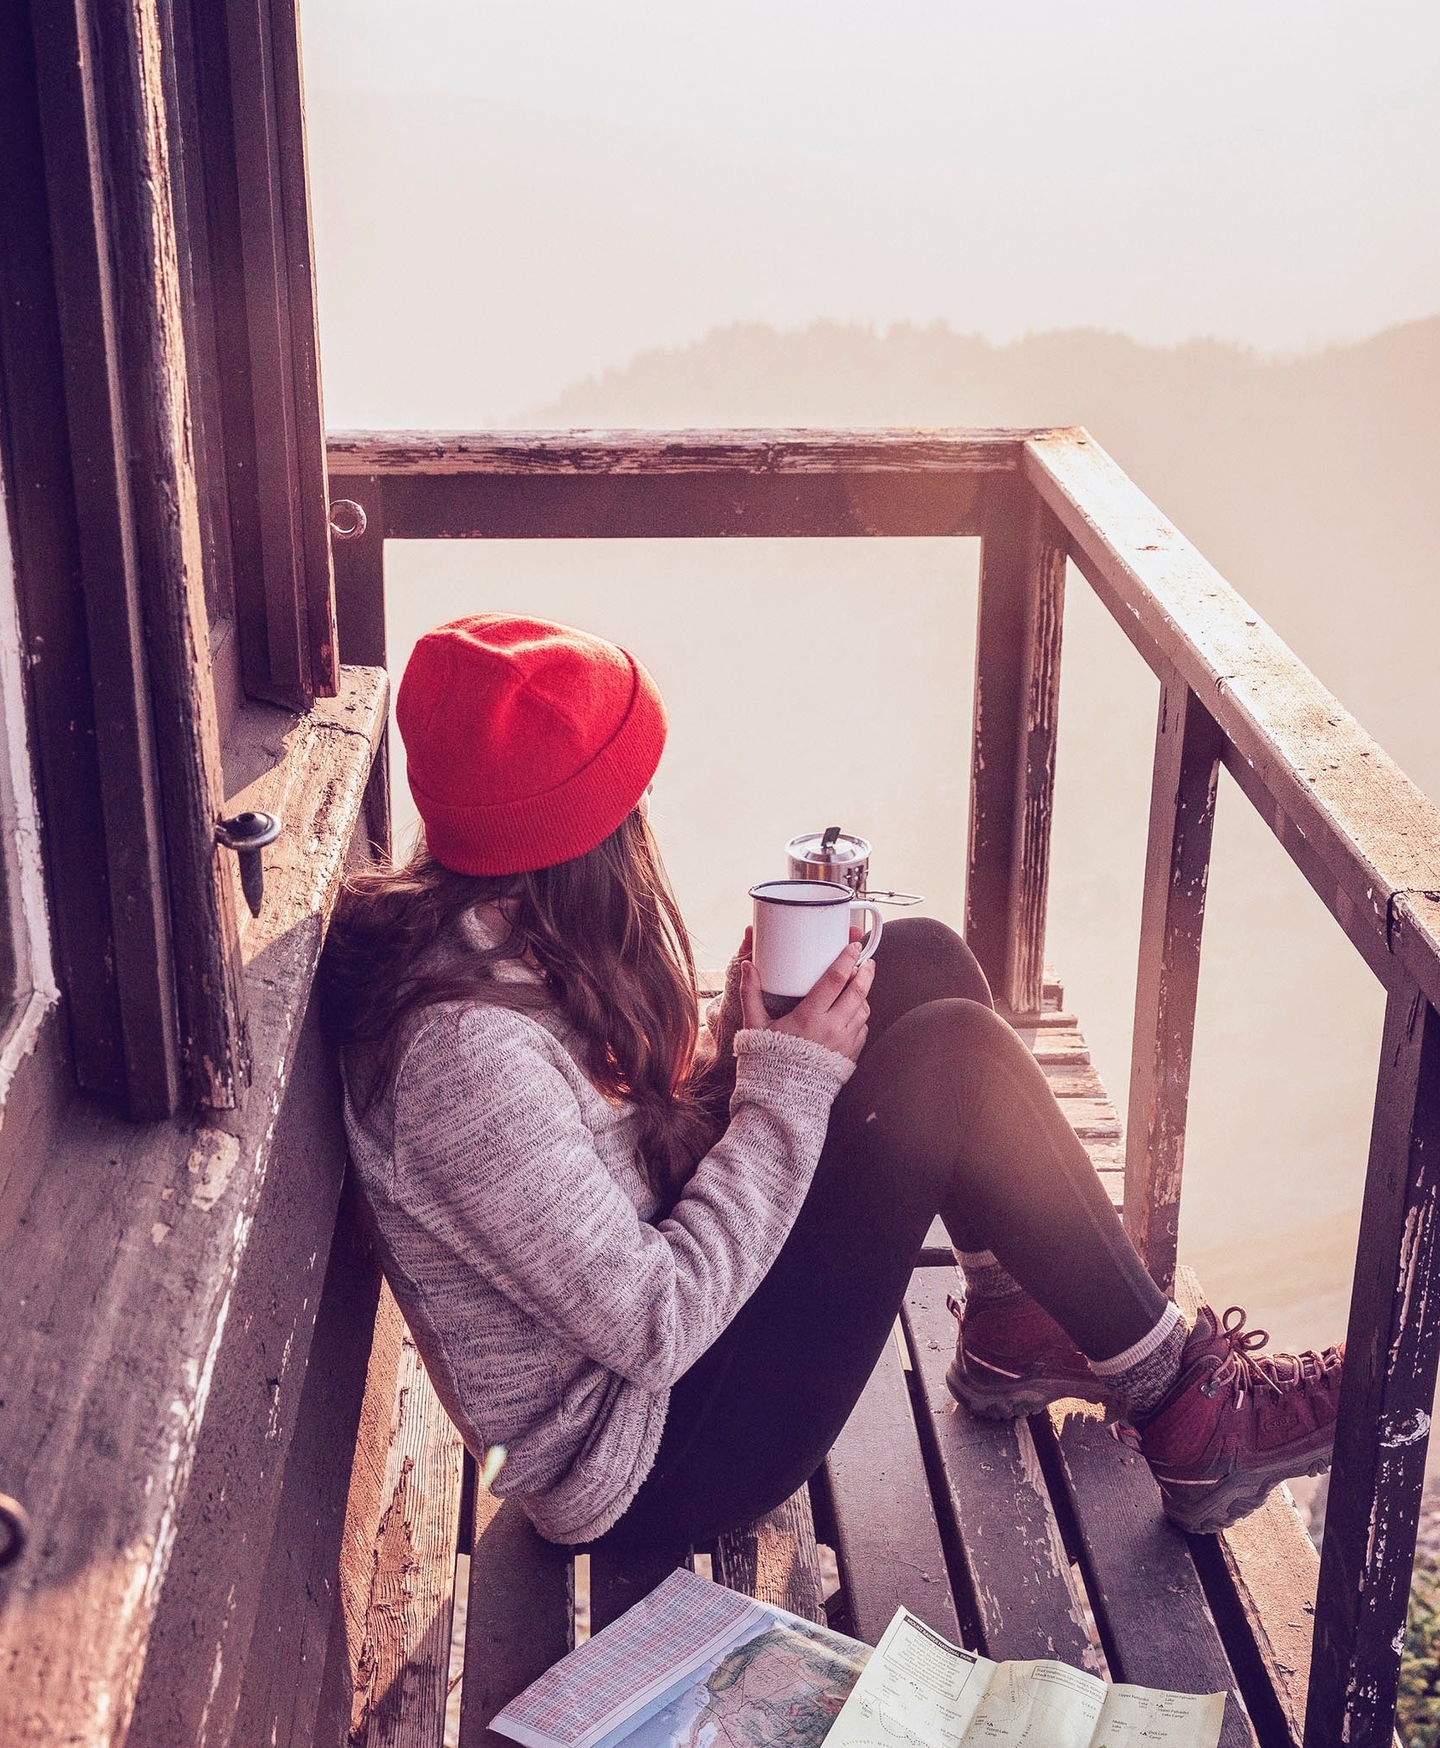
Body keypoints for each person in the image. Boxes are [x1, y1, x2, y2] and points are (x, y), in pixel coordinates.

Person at [324, 613, 1343, 1555]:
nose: (644, 814)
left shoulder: (500, 934)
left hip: (682, 1367)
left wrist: (741, 1040)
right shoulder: (462, 1063)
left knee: (918, 960)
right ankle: (1189, 1409)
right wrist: (783, 1082)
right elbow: (653, 1318)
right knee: (952, 1061)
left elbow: (611, 1170)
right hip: (648, 1460)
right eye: (626, 793)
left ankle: (1009, 1313)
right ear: (581, 834)